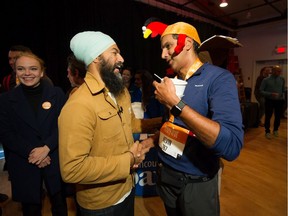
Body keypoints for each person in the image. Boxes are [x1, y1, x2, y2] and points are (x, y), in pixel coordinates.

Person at [141, 21, 244, 216]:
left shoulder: (219, 79)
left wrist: (175, 104)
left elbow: (231, 147)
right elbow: (173, 123)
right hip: (166, 177)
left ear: (187, 43)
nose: (163, 55)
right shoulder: (173, 80)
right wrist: (151, 141)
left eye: (168, 46)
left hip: (196, 184)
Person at [58, 31, 162, 216]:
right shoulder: (78, 106)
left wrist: (161, 123)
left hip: (127, 189)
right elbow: (72, 170)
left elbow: (131, 125)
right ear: (96, 57)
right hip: (101, 205)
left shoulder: (121, 92)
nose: (121, 58)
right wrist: (129, 160)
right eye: (114, 52)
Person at [0, 52, 68, 216]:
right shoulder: (5, 100)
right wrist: (34, 152)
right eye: (21, 69)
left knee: (60, 205)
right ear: (15, 72)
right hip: (24, 161)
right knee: (30, 210)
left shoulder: (57, 94)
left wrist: (46, 148)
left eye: (33, 68)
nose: (27, 73)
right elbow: (6, 134)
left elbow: (65, 126)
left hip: (54, 157)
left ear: (42, 72)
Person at [260, 65, 285, 139]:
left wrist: (282, 96)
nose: (280, 72)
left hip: (279, 101)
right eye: (278, 71)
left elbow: (283, 90)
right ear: (273, 71)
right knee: (268, 116)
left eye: (280, 71)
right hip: (269, 100)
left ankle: (275, 130)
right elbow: (261, 91)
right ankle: (267, 131)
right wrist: (270, 94)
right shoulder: (266, 80)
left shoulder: (282, 79)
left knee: (278, 116)